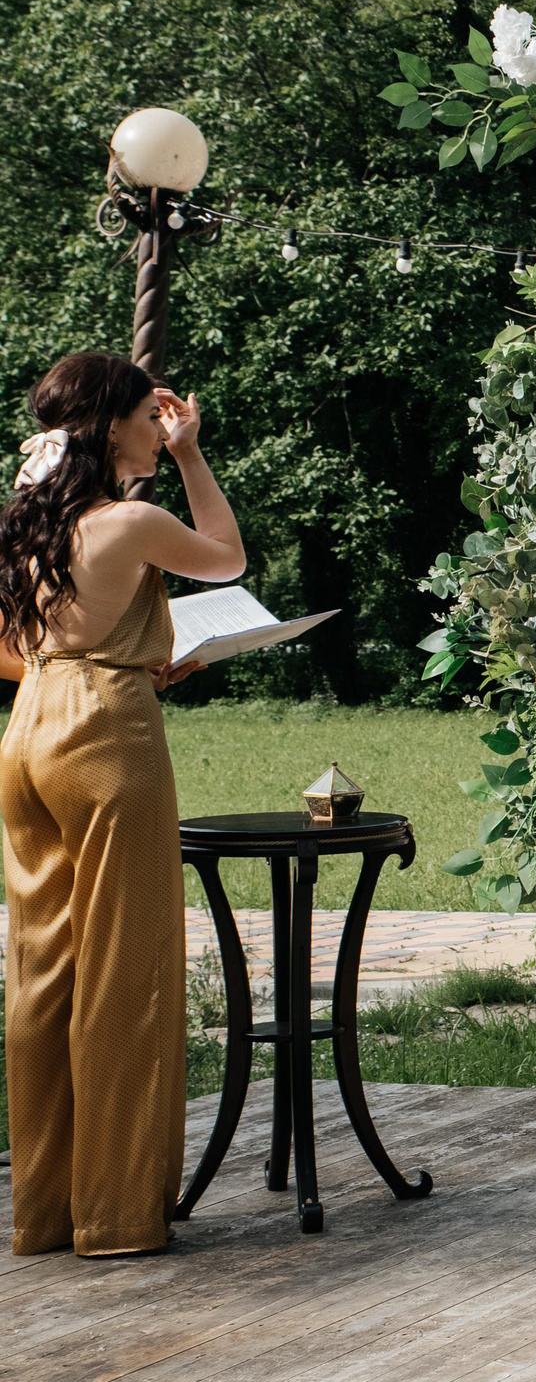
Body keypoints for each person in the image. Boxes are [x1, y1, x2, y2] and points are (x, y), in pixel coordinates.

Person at [0, 356, 243, 1257]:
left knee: (43, 968)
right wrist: (191, 458)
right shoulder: (131, 520)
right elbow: (227, 558)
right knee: (124, 968)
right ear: (111, 428)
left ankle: (47, 1212)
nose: (161, 424)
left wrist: (100, 658)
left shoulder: (26, 526)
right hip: (107, 738)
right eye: (151, 414)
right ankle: (115, 1215)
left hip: (27, 730)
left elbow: (12, 649)